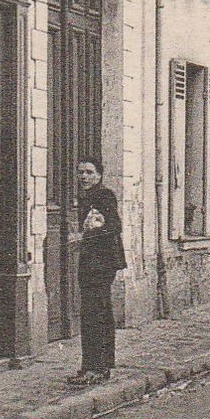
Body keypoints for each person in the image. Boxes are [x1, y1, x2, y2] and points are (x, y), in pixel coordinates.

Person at [68, 157, 126, 386]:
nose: (83, 177)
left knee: (98, 314)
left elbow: (114, 226)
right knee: (90, 314)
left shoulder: (104, 196)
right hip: (89, 263)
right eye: (80, 172)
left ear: (99, 175)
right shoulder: (85, 198)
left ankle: (100, 368)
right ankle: (89, 366)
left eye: (89, 172)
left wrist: (89, 233)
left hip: (102, 264)